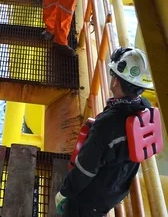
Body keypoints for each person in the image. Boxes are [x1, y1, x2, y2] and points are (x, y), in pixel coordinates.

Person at [55, 47, 154, 216]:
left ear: (116, 80)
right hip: (115, 190)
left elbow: (86, 169)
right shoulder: (144, 109)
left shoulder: (109, 124)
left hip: (90, 200)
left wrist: (65, 192)